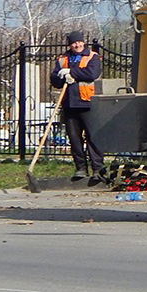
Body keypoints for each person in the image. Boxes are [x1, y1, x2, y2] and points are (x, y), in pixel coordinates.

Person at [49, 30, 105, 184]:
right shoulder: (62, 59)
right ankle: (80, 168)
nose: (77, 45)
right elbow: (54, 79)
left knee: (93, 137)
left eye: (79, 42)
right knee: (74, 138)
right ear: (70, 45)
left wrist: (72, 72)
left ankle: (98, 169)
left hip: (88, 103)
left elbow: (91, 73)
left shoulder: (92, 57)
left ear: (83, 42)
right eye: (74, 43)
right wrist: (61, 75)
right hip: (69, 104)